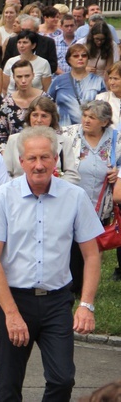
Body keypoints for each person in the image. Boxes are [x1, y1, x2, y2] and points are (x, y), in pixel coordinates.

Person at [0, 126, 102, 402]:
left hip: (57, 302)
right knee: (9, 387)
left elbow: (92, 255)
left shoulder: (75, 197)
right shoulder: (2, 197)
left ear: (56, 159)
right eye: (32, 158)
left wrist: (86, 305)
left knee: (62, 380)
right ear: (21, 161)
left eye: (45, 157)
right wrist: (11, 314)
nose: (39, 165)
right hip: (14, 300)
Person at [61, 100, 120, 295]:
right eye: (85, 115)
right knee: (70, 247)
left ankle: (86, 286)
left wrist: (117, 172)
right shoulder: (68, 134)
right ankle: (71, 285)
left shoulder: (116, 139)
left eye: (92, 117)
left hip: (99, 204)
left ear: (104, 122)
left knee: (92, 246)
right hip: (70, 203)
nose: (86, 120)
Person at [2, 96, 79, 183]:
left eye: (44, 116)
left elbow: (72, 175)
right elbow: (5, 174)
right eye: (35, 115)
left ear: (52, 119)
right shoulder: (14, 140)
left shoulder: (64, 142)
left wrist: (54, 187)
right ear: (29, 117)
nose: (39, 120)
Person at [49, 44, 107, 126]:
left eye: (84, 55)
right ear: (68, 60)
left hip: (90, 129)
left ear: (88, 59)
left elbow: (103, 107)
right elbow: (48, 103)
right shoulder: (58, 80)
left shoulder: (98, 81)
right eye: (76, 56)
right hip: (63, 129)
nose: (80, 58)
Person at [0, 60, 47, 152]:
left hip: (42, 150)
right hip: (14, 153)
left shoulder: (46, 100)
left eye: (27, 76)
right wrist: (5, 155)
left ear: (33, 75)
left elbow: (55, 128)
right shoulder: (6, 103)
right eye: (19, 77)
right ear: (13, 78)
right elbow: (1, 134)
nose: (23, 80)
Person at [1, 30, 51, 95]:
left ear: (33, 45)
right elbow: (4, 88)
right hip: (12, 100)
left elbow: (46, 90)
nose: (21, 46)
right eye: (19, 42)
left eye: (25, 42)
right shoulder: (10, 61)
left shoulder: (43, 63)